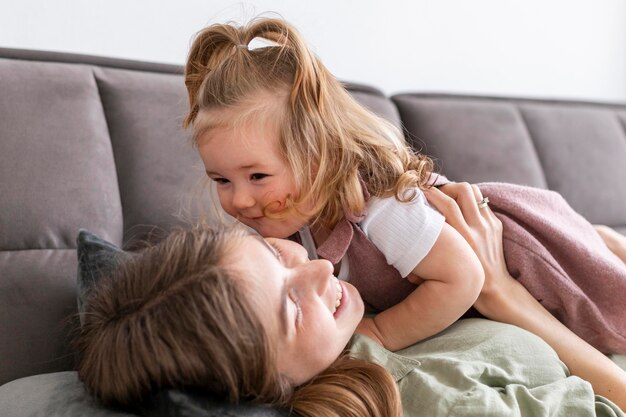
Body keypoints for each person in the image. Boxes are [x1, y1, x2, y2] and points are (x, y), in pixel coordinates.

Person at [182, 17, 626, 354]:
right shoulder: (290, 221)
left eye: (258, 176)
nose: (239, 200)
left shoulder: (382, 207)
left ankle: (604, 242)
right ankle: (605, 238)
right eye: (221, 180)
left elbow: (463, 277)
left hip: (529, 254)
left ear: (321, 155)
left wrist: (382, 331)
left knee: (608, 318)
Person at [75, 187, 626, 416]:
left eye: (277, 253)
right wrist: (501, 293)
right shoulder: (437, 398)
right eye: (291, 308)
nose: (319, 267)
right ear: (266, 385)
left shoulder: (370, 306)